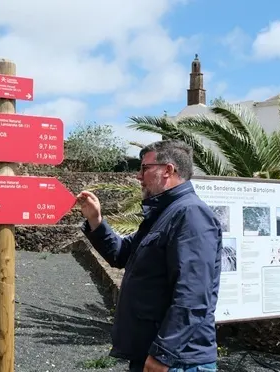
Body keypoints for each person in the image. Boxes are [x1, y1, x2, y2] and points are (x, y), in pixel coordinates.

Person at [76, 140, 222, 372]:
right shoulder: (164, 213)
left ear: (168, 170)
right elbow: (121, 254)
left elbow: (193, 296)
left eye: (145, 168)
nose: (138, 176)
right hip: (153, 353)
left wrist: (163, 355)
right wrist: (96, 220)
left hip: (178, 361)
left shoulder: (190, 214)